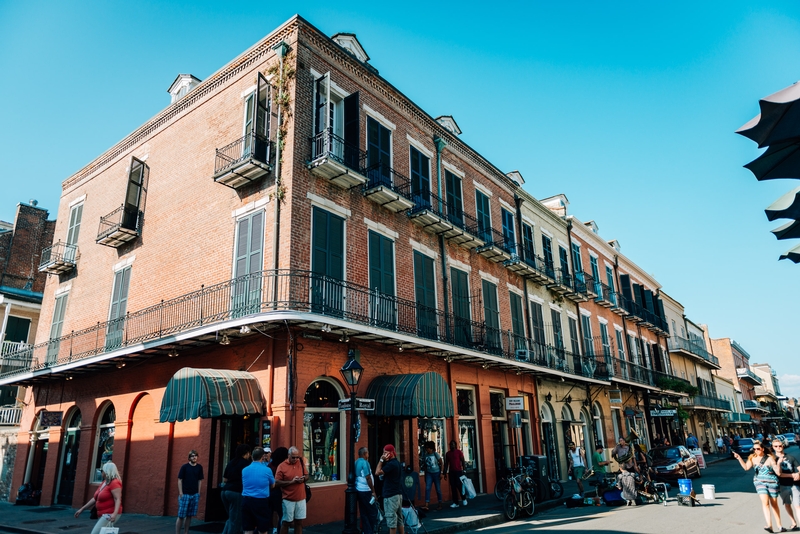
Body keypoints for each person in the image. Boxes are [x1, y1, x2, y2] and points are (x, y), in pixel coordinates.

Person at [734, 439, 784, 533]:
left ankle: (779, 525)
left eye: (758, 449)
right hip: (759, 482)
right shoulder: (752, 458)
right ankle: (769, 525)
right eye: (754, 449)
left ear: (762, 449)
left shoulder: (769, 458)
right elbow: (746, 468)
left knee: (774, 504)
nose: (756, 451)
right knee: (765, 503)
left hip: (772, 482)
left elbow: (778, 472)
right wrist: (739, 458)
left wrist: (779, 463)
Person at [74, 462, 123, 534]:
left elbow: (117, 499)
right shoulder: (105, 482)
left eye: (102, 470)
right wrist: (82, 509)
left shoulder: (114, 483)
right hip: (102, 513)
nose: (101, 472)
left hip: (109, 514)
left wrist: (114, 514)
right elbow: (95, 498)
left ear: (107, 471)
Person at [241, 447, 276, 534]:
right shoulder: (267, 470)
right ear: (262, 457)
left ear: (252, 457)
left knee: (248, 529)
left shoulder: (244, 470)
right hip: (261, 501)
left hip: (247, 500)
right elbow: (273, 485)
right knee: (263, 529)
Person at [275, 446, 308, 534]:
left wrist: (303, 479)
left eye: (297, 457)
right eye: (293, 457)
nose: (295, 459)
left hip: (301, 497)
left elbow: (307, 475)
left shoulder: (300, 462)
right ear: (288, 455)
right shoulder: (282, 466)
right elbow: (277, 483)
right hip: (288, 498)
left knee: (299, 522)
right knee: (286, 522)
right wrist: (291, 482)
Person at [221, 444, 252, 534]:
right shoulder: (246, 464)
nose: (249, 455)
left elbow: (225, 479)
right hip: (236, 492)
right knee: (236, 521)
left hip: (224, 491)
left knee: (231, 518)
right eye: (249, 453)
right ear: (246, 453)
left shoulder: (232, 462)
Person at [375, 444, 404, 534]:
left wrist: (381, 460)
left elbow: (377, 472)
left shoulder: (391, 464)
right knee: (399, 519)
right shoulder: (397, 463)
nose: (384, 455)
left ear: (391, 453)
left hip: (391, 496)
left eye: (385, 453)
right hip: (398, 495)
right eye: (383, 453)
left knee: (391, 521)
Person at [773, 438, 800, 531]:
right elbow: (779, 474)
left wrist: (798, 474)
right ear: (773, 447)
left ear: (783, 446)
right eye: (776, 446)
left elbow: (799, 468)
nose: (778, 448)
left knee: (797, 505)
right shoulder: (773, 459)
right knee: (787, 504)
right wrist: (792, 474)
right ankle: (793, 522)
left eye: (780, 446)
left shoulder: (791, 457)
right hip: (783, 485)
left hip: (794, 484)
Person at [176, 450, 204, 534]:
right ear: (189, 458)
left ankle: (186, 532)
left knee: (189, 515)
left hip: (194, 494)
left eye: (195, 455)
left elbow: (200, 480)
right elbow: (179, 480)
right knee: (181, 516)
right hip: (185, 494)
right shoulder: (184, 467)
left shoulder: (199, 467)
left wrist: (198, 492)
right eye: (192, 456)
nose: (194, 457)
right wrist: (181, 493)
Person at [355, 447, 378, 534]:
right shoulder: (365, 463)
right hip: (366, 491)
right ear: (364, 454)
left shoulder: (356, 462)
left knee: (363, 512)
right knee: (373, 511)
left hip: (359, 490)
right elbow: (368, 477)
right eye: (367, 453)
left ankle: (366, 530)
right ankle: (370, 531)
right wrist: (373, 492)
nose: (368, 455)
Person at [269, 447, 289, 534]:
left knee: (271, 513)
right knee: (282, 514)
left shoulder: (270, 466)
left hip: (269, 492)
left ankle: (273, 529)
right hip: (279, 492)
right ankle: (278, 529)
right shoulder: (281, 467)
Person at [421, 440, 443, 510]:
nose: (427, 449)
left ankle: (440, 504)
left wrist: (441, 473)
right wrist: (425, 474)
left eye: (428, 448)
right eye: (426, 448)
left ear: (431, 448)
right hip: (429, 473)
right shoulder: (425, 455)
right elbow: (424, 466)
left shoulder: (435, 454)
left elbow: (441, 462)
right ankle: (426, 505)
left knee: (438, 489)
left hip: (436, 473)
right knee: (427, 488)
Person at [444, 440, 467, 507]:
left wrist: (464, 470)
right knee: (453, 487)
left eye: (453, 444)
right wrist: (445, 472)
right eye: (451, 444)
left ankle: (464, 498)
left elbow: (463, 461)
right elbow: (446, 464)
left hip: (458, 471)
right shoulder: (448, 454)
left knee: (459, 485)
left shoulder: (459, 452)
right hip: (451, 472)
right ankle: (456, 502)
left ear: (455, 445)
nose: (452, 446)